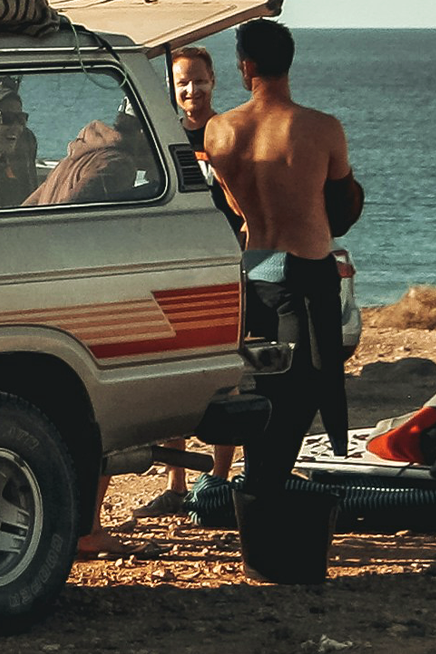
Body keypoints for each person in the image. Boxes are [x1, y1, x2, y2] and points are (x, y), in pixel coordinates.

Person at [203, 19, 361, 499]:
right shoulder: (321, 128)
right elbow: (342, 208)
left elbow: (232, 206)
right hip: (306, 266)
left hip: (255, 266)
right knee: (307, 386)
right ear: (287, 62)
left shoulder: (220, 130)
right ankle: (267, 486)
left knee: (262, 382)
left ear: (246, 66)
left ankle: (259, 479)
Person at [131, 45, 247, 518]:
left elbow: (246, 208)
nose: (191, 91)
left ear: (214, 81)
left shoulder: (227, 134)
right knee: (176, 370)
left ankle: (217, 480)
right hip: (176, 268)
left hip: (223, 266)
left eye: (198, 81)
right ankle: (177, 485)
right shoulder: (164, 137)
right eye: (181, 83)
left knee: (224, 374)